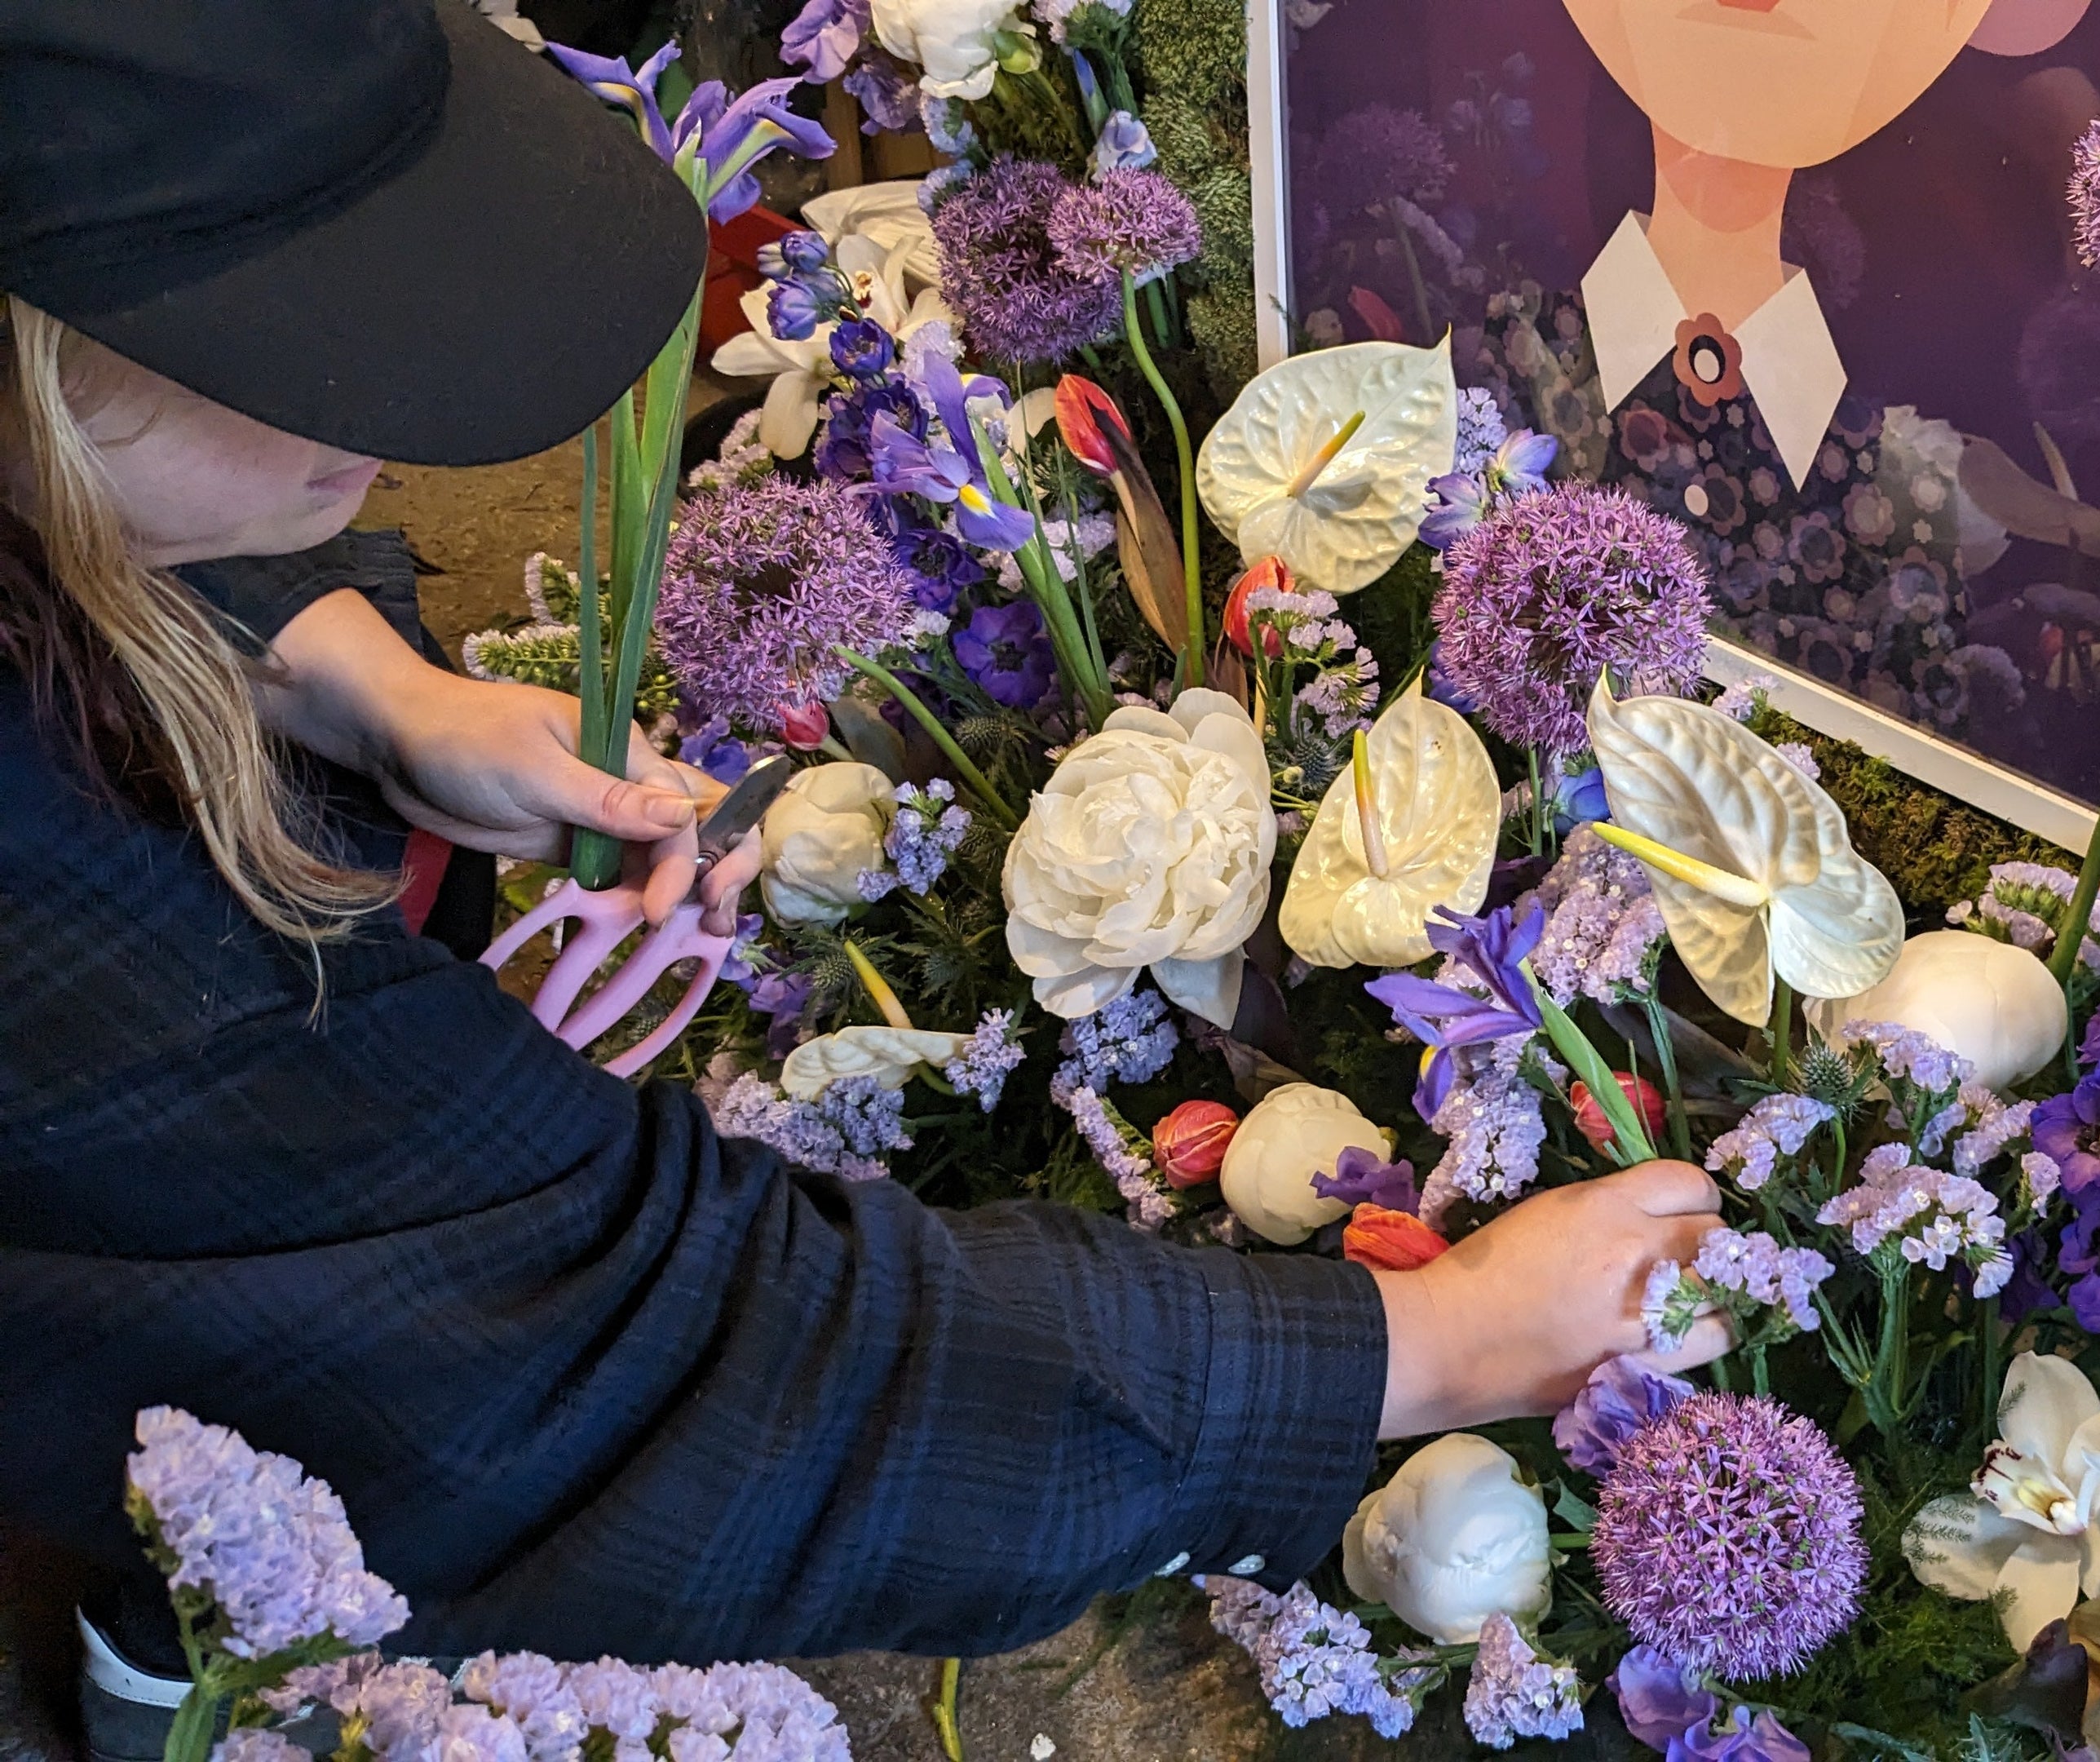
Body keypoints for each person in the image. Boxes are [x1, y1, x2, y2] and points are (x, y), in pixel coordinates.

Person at [0, 0, 1729, 1729]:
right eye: (294, 333)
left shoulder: (91, 471)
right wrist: (1428, 1348)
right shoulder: (69, 910)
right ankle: (202, 1628)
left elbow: (148, 508)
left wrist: (359, 684)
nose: (395, 401)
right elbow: (650, 1352)